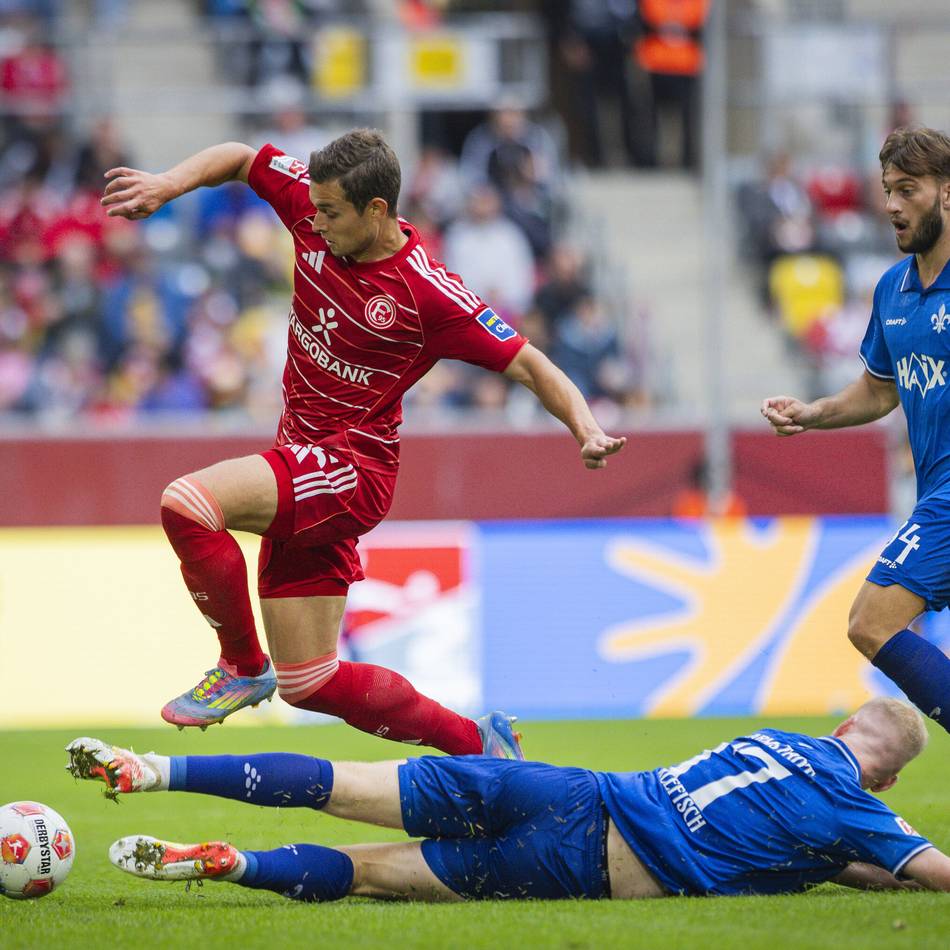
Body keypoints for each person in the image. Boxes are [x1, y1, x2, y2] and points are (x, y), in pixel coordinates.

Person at [98, 129, 626, 754]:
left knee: (188, 503)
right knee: (309, 681)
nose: (313, 224)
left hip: (351, 469)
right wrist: (166, 184)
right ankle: (479, 744)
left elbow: (532, 365)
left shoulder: (427, 293)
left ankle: (240, 666)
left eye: (330, 213)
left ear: (377, 211)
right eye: (313, 207)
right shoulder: (311, 203)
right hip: (301, 461)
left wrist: (585, 427)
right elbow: (241, 157)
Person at [65, 697, 950, 902]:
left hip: (563, 788)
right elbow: (923, 871)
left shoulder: (786, 740)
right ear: (889, 778)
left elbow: (832, 857)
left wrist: (859, 863)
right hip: (583, 862)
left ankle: (155, 769)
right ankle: (232, 866)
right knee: (373, 876)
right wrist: (901, 860)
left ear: (842, 722)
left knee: (339, 785)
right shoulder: (856, 812)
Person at [762, 127, 950, 738]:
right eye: (887, 190)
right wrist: (813, 414)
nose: (892, 204)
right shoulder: (892, 289)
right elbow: (878, 389)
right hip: (932, 491)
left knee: (872, 620)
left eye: (908, 189)